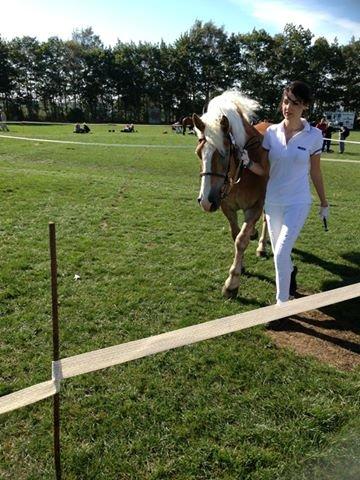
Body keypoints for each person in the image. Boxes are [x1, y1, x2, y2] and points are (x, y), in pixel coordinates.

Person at [243, 81, 329, 305]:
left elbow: (316, 173)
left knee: (280, 252)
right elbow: (264, 170)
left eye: (295, 103)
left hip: (298, 203)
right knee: (283, 255)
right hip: (273, 203)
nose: (287, 107)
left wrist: (324, 203)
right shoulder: (271, 133)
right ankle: (290, 277)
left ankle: (282, 307)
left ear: (306, 106)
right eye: (285, 101)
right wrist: (247, 163)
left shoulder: (315, 136)